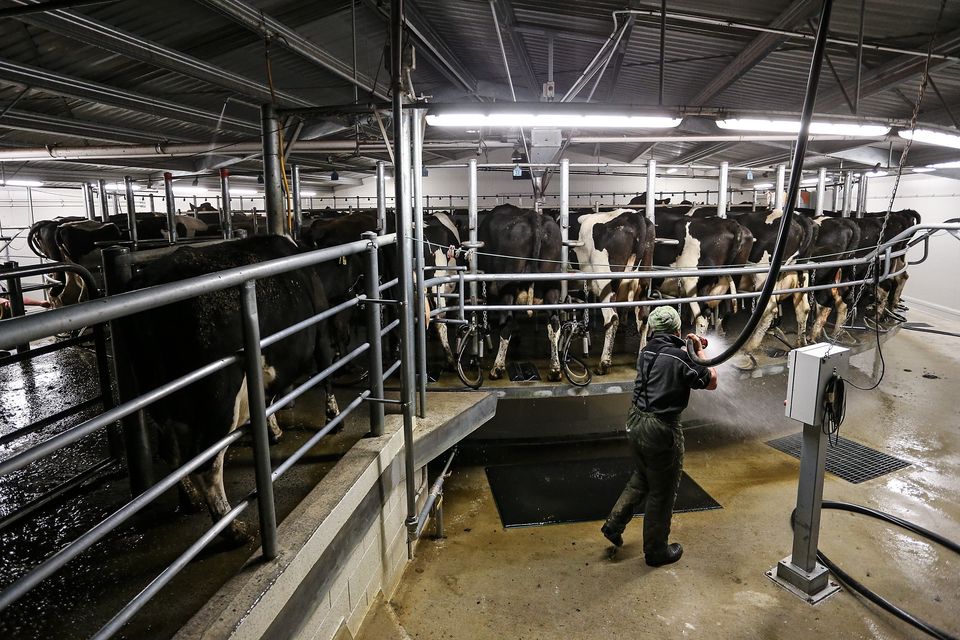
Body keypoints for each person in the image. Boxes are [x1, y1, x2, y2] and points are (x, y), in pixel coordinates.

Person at [601, 305, 718, 567]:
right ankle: (656, 552)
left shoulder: (646, 351)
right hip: (660, 428)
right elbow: (711, 380)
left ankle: (614, 524)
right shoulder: (681, 357)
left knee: (643, 476)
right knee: (662, 492)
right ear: (677, 328)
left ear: (653, 329)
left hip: (635, 421)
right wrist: (698, 349)